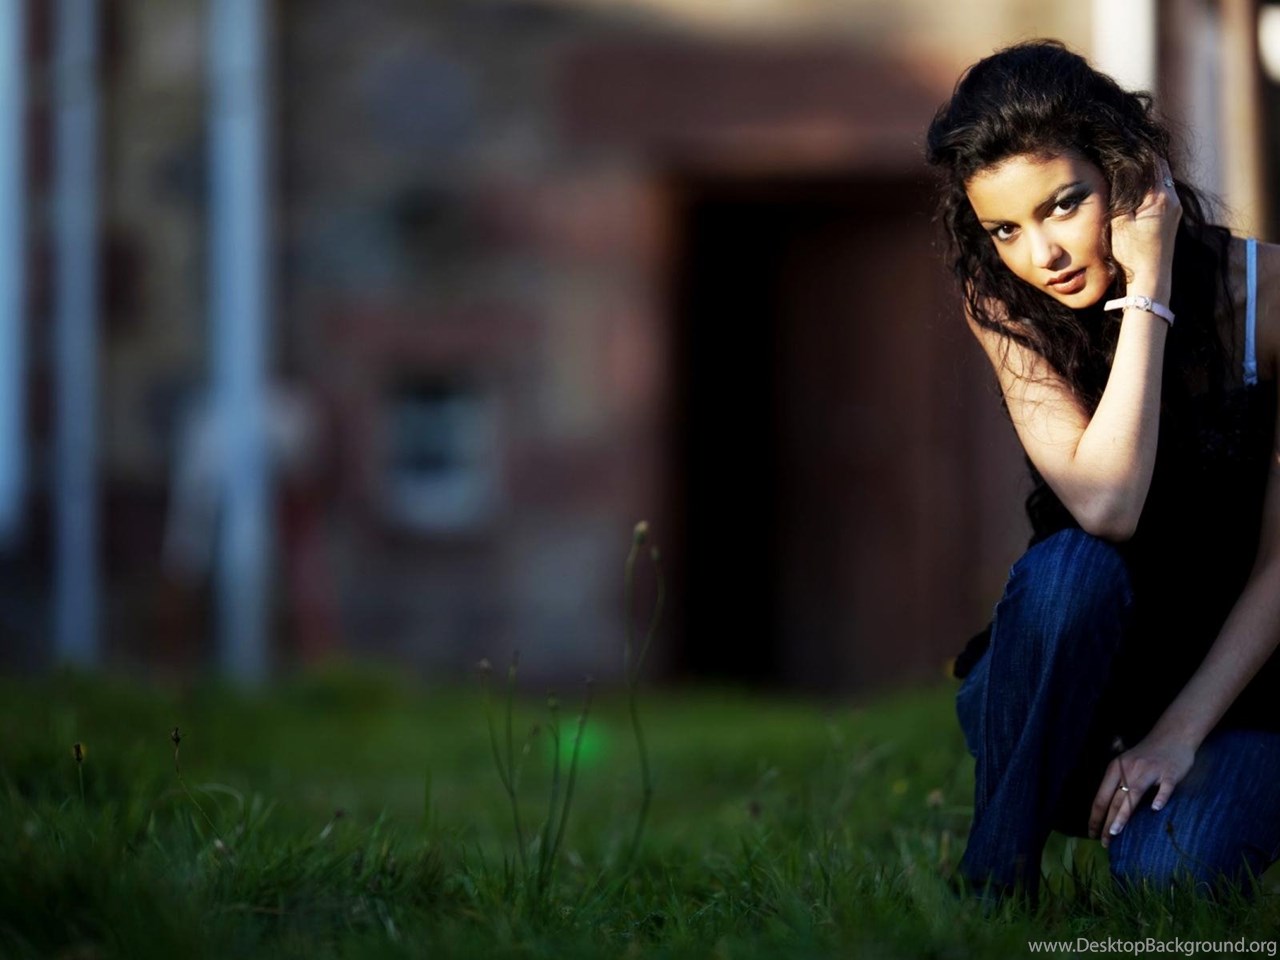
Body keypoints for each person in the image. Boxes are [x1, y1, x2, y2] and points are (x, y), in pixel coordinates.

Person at [925, 40, 1280, 902]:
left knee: (1165, 884)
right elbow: (1109, 506)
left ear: (1128, 175)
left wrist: (1178, 733)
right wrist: (1147, 291)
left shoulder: (1266, 296)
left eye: (1063, 204)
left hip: (1235, 690)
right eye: (1005, 229)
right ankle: (995, 884)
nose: (1041, 253)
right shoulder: (1004, 304)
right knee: (1070, 569)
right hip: (1072, 689)